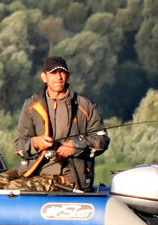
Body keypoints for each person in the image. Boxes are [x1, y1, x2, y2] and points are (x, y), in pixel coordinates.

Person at [9, 56, 109, 191]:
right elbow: (19, 146)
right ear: (44, 77)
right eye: (53, 73)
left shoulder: (85, 105)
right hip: (32, 171)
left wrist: (76, 147)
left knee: (13, 187)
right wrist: (35, 143)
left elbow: (102, 140)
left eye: (62, 72)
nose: (58, 77)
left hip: (69, 177)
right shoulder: (31, 105)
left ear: (68, 76)